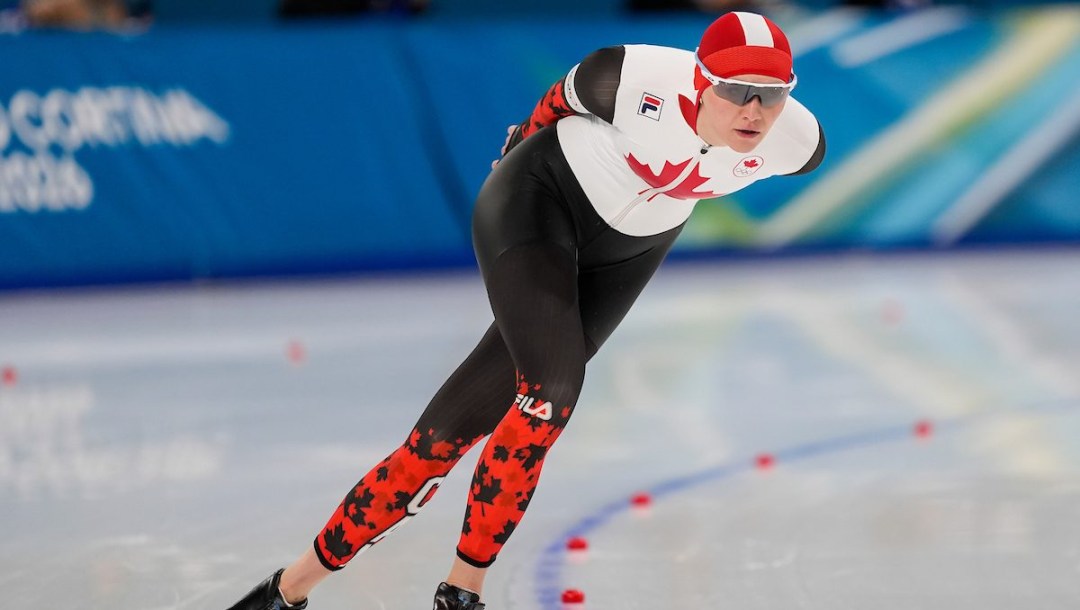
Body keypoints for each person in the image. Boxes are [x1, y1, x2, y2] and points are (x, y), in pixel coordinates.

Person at [227, 11, 825, 610]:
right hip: (538, 202)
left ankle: (283, 594)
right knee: (552, 390)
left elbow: (780, 131)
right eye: (737, 91)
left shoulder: (797, 143)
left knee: (438, 441)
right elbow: (556, 100)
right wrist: (514, 150)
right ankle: (462, 595)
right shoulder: (630, 77)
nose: (754, 110)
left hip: (627, 253)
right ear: (700, 81)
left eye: (772, 96)